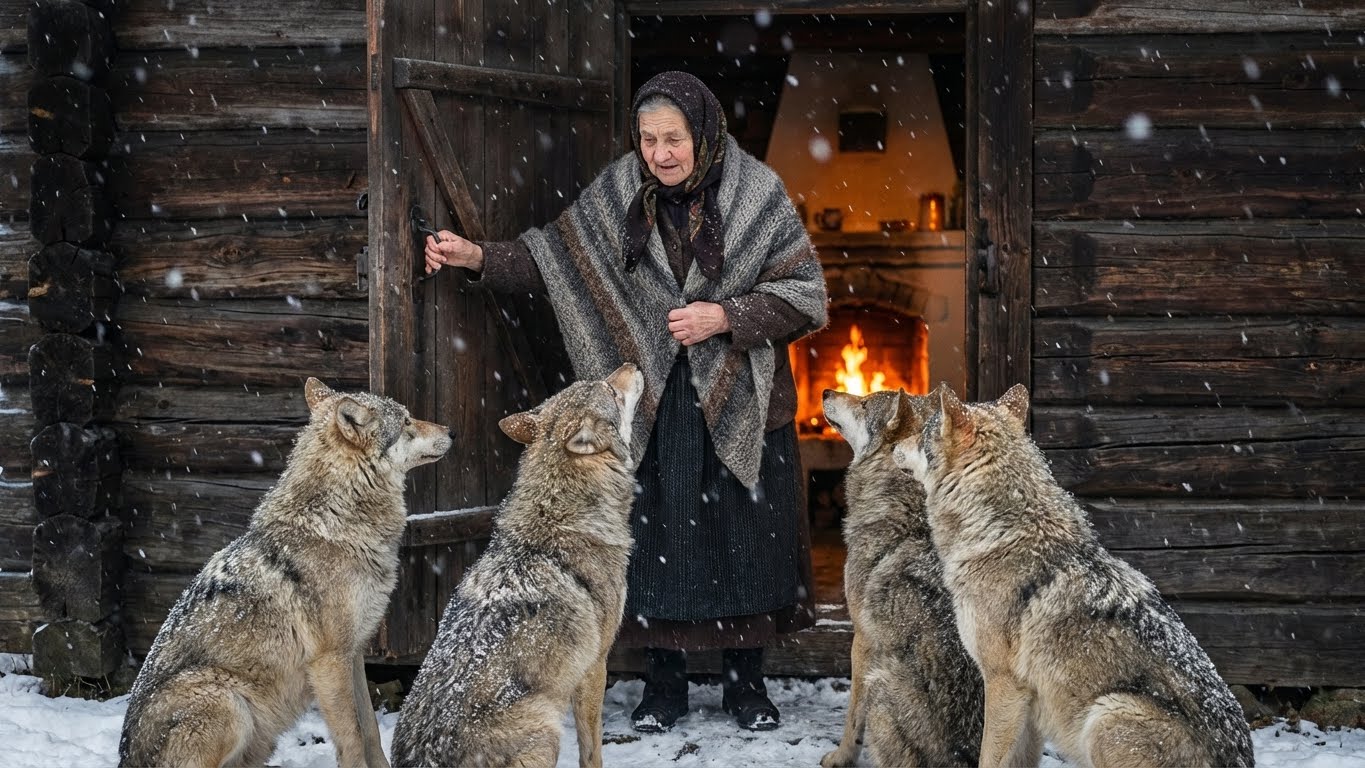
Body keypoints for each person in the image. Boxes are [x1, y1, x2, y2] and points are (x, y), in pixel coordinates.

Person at [421, 71, 828, 733]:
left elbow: (804, 296)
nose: (662, 153)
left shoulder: (757, 193)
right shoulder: (616, 194)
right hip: (648, 402)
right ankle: (661, 688)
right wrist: (476, 257)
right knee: (655, 542)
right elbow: (551, 260)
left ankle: (745, 686)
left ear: (702, 133)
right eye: (648, 140)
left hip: (740, 404)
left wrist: (723, 315)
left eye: (674, 139)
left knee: (742, 541)